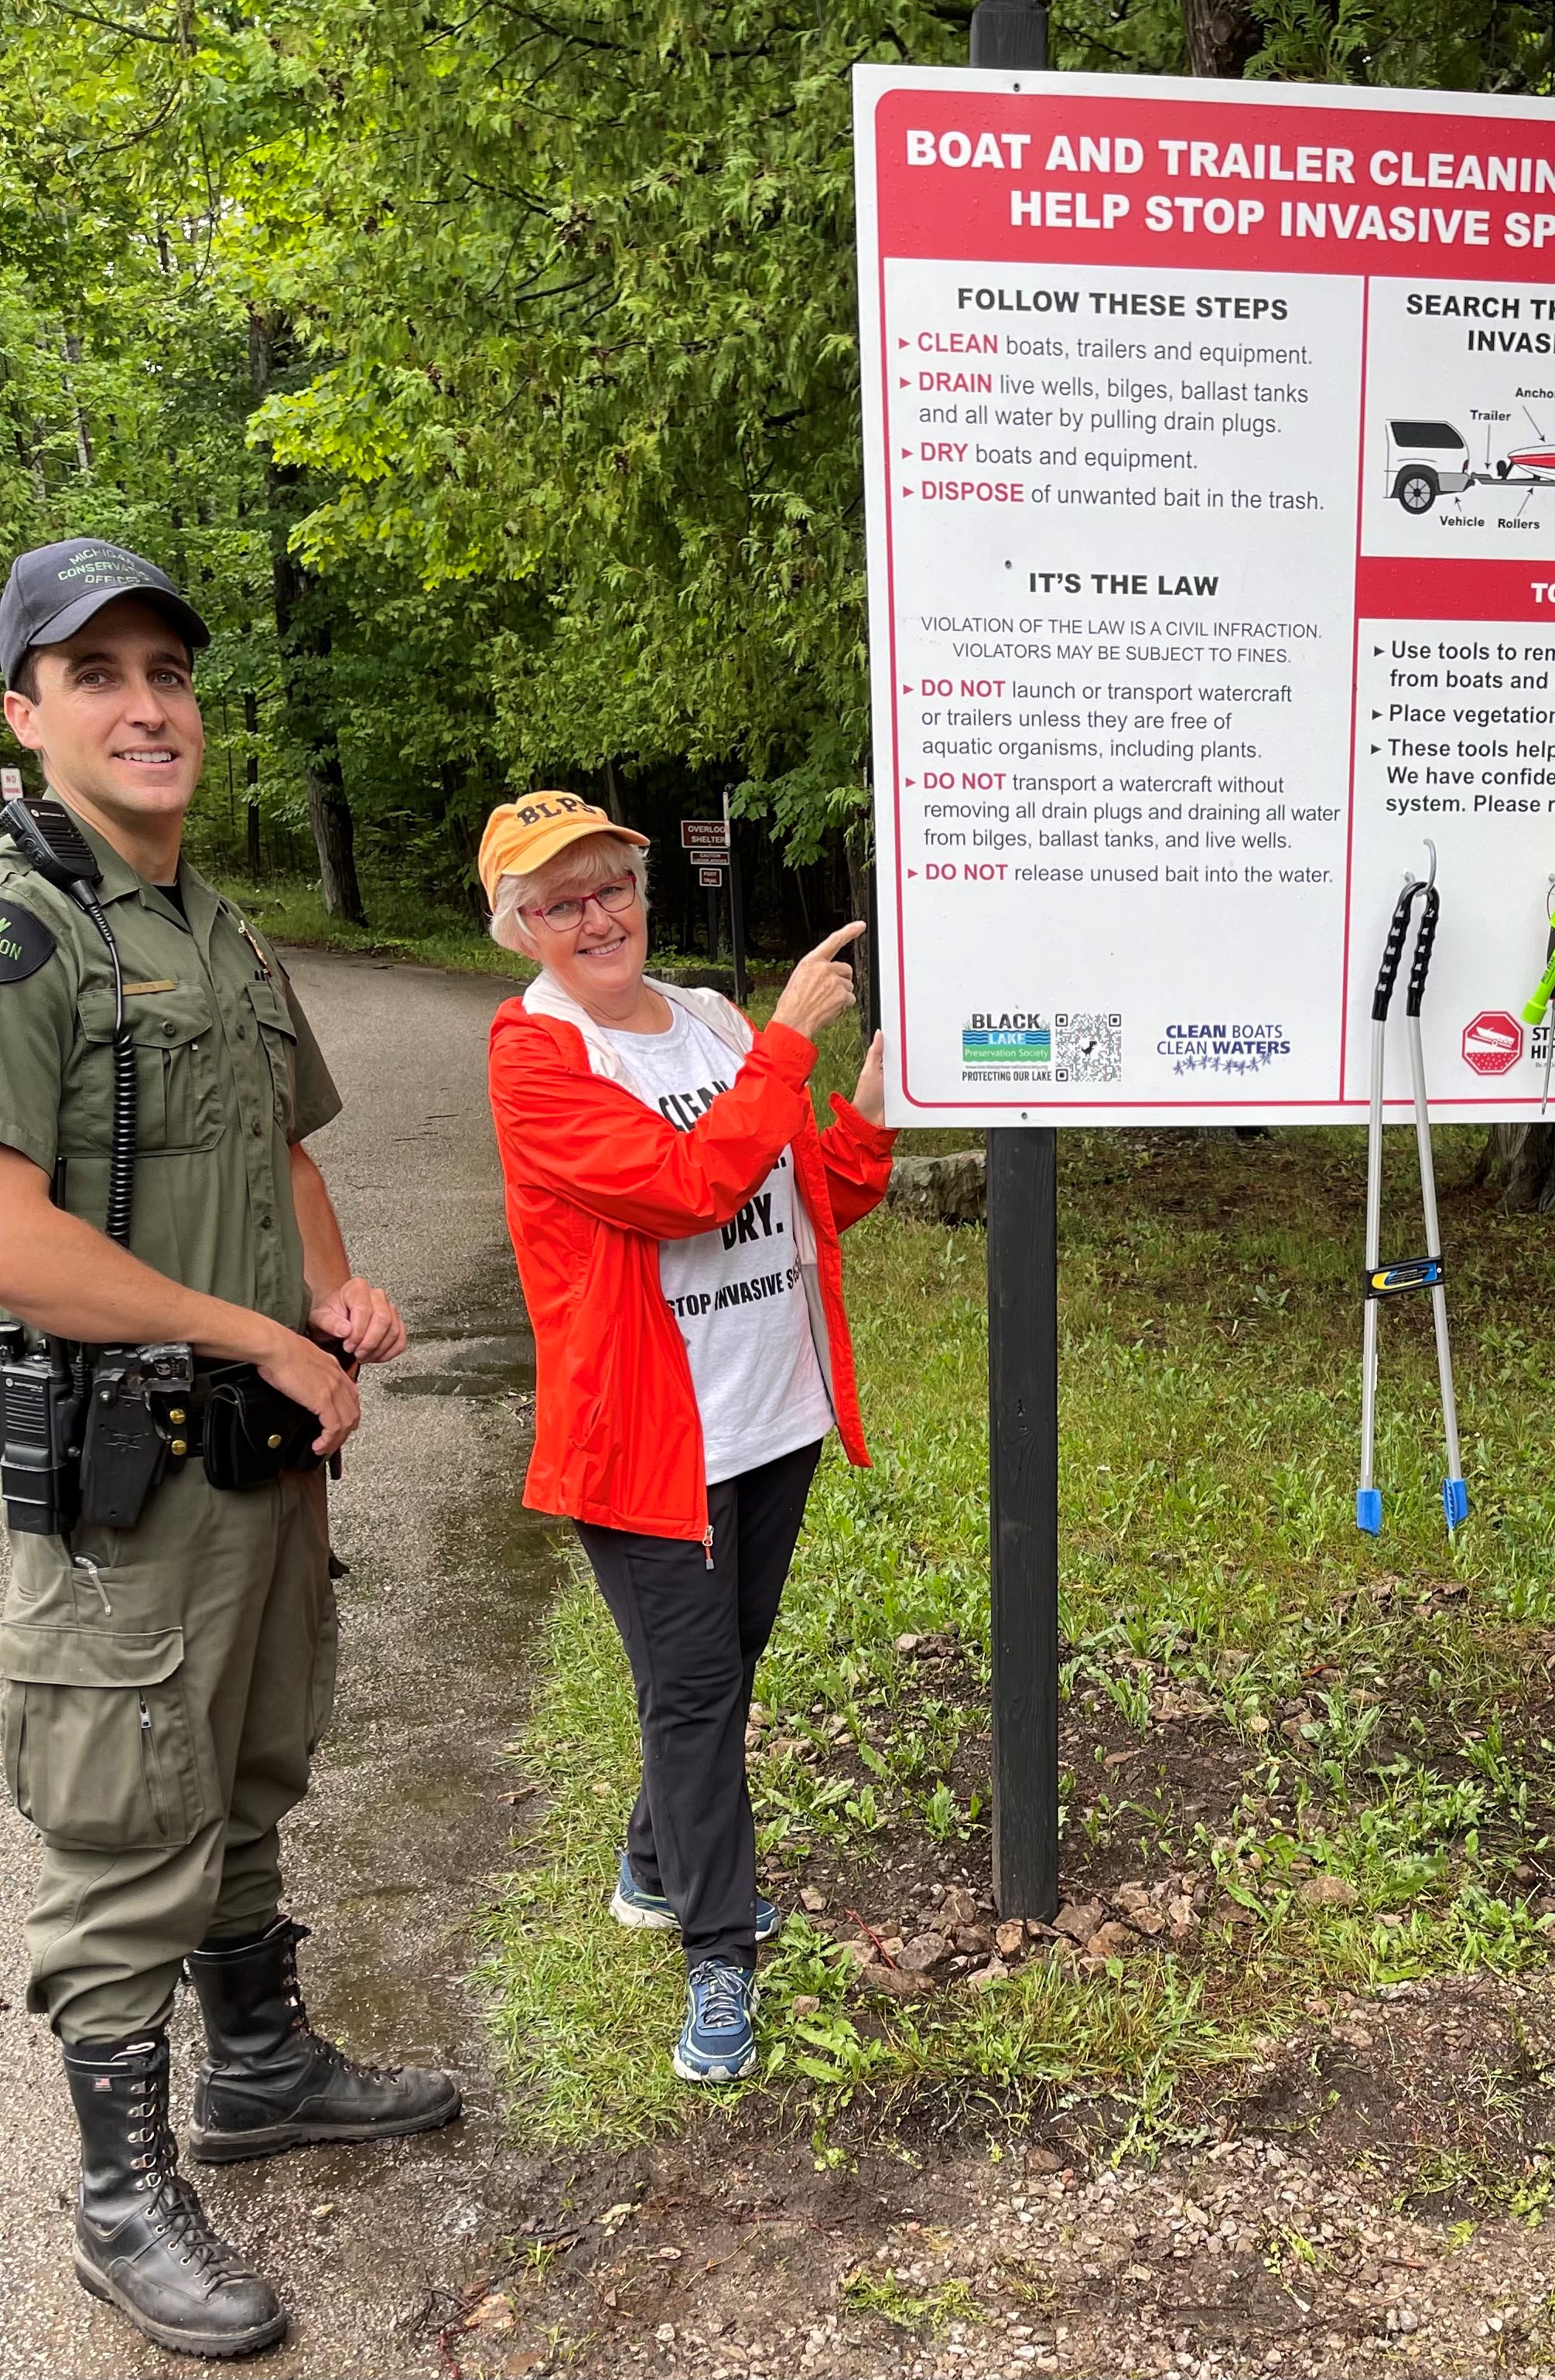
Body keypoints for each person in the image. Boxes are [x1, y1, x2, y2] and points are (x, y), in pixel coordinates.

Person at [0, 538, 459, 2359]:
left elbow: (280, 1151)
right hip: (125, 1479)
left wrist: (334, 1310)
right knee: (132, 1820)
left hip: (262, 1458)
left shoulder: (219, 927)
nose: (144, 703)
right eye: (94, 672)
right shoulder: (23, 933)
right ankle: (119, 2202)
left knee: (257, 1761)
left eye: (165, 670)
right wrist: (252, 1329)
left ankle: (258, 2068)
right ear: (22, 714)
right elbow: (10, 1235)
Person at [480, 796, 895, 2086]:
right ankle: (720, 1953)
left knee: (723, 1660)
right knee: (701, 1692)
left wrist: (870, 1099)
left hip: (772, 1404)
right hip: (649, 1438)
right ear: (520, 930)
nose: (594, 916)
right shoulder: (534, 1053)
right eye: (559, 902)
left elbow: (801, 1181)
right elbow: (680, 1189)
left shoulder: (710, 1021)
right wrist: (786, 1047)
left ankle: (654, 1861)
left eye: (609, 885)